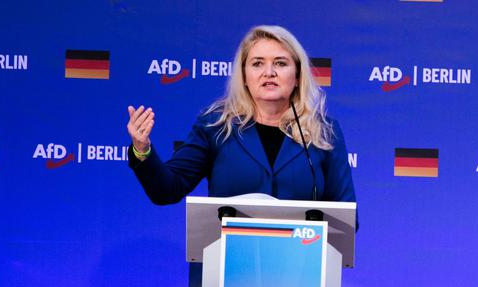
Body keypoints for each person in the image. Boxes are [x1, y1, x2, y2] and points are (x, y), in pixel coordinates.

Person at [127, 25, 356, 205]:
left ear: (297, 76)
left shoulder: (323, 132)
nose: (269, 72)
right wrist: (142, 149)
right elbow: (167, 190)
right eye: (257, 63)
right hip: (226, 262)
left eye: (280, 63)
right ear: (244, 76)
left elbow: (345, 215)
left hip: (299, 261)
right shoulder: (216, 126)